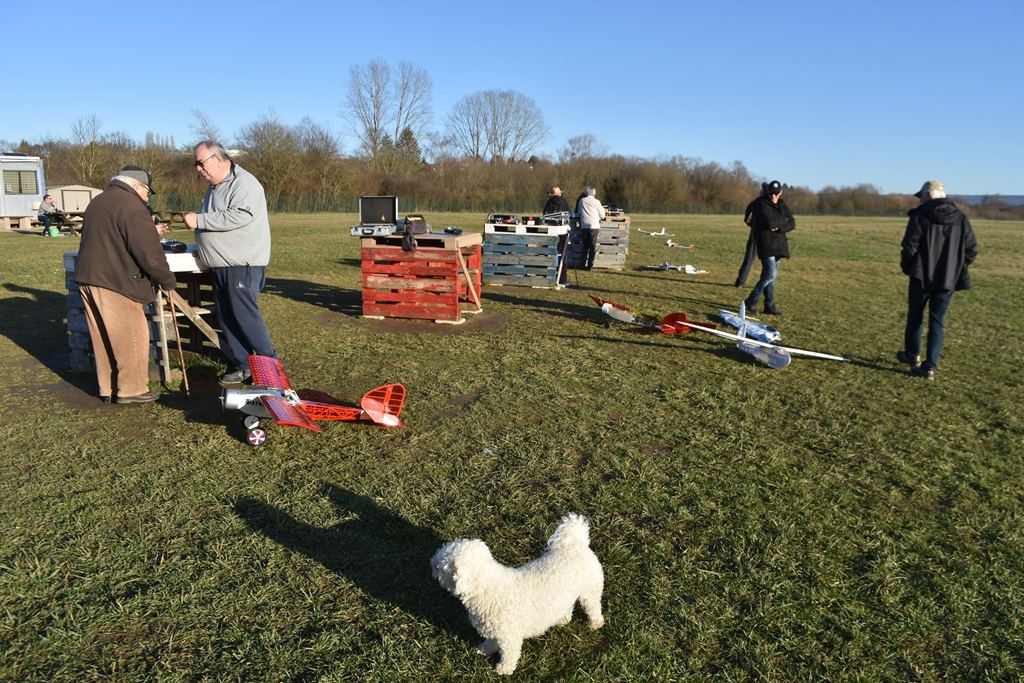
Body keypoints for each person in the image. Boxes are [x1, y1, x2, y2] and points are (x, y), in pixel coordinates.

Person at [73, 166, 176, 404]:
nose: (147, 198)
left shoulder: (99, 201)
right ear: (138, 186)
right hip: (116, 280)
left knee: (104, 339)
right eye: (148, 192)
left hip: (90, 277)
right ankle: (132, 390)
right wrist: (167, 281)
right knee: (131, 335)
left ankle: (109, 387)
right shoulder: (131, 206)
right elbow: (149, 253)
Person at [184, 141, 277, 383]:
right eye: (196, 164)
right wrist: (203, 249)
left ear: (219, 158)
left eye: (201, 163)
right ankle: (245, 365)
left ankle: (271, 368)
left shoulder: (244, 183)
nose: (198, 169)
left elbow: (242, 215)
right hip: (220, 266)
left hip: (241, 265)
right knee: (225, 317)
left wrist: (200, 220)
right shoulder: (214, 188)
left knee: (245, 316)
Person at [897, 180, 979, 380]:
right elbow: (972, 249)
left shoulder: (920, 215)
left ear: (928, 194)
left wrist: (909, 268)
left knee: (915, 316)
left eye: (921, 195)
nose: (920, 199)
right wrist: (956, 267)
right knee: (937, 322)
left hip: (921, 277)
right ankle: (930, 366)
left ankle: (912, 354)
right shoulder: (960, 217)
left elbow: (909, 247)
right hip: (947, 280)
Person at [743, 180, 794, 315]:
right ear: (768, 192)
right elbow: (770, 222)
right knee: (770, 274)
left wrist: (781, 226)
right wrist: (783, 221)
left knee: (771, 277)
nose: (773, 196)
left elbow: (792, 222)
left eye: (776, 194)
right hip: (765, 243)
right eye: (771, 193)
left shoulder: (783, 204)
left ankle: (768, 305)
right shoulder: (761, 204)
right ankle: (750, 301)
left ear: (781, 193)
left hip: (779, 244)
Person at [735, 183, 768, 287]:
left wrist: (749, 223)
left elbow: (747, 214)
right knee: (767, 263)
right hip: (767, 237)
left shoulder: (756, 202)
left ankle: (740, 282)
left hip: (755, 235)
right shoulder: (771, 203)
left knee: (748, 259)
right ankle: (765, 283)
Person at [577, 186, 606, 271]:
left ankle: (582, 264)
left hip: (584, 225)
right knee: (592, 246)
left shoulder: (581, 201)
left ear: (586, 193)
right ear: (594, 193)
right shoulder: (596, 202)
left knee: (585, 245)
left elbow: (579, 212)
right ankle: (590, 265)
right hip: (594, 225)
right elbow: (602, 215)